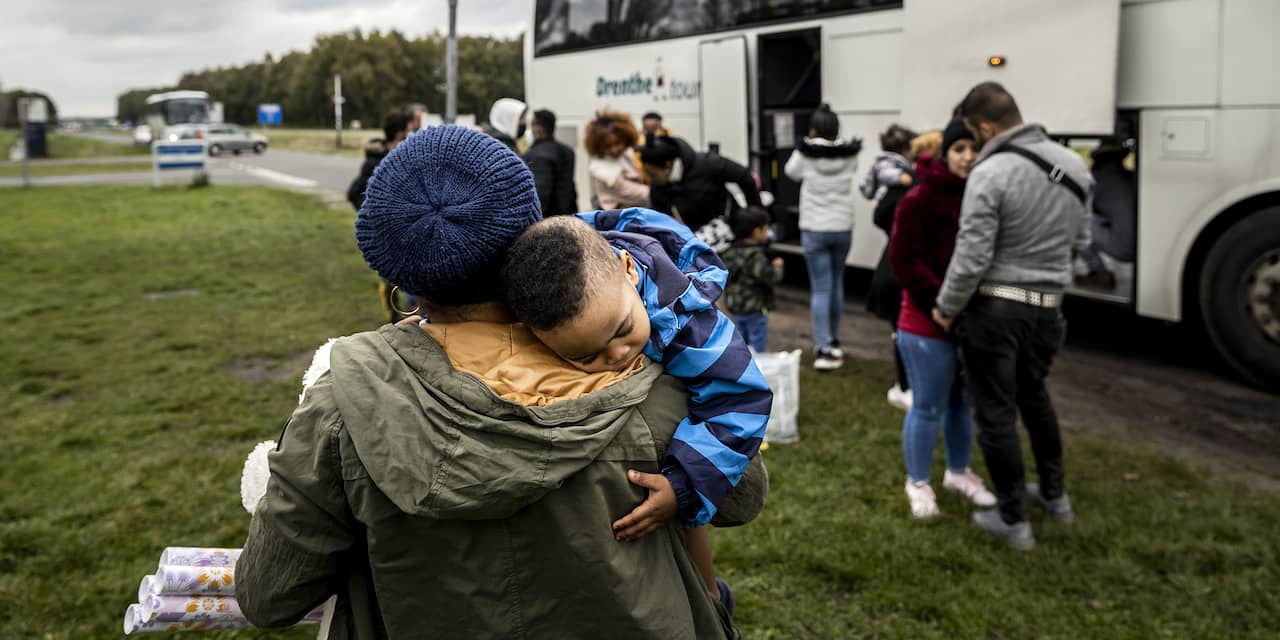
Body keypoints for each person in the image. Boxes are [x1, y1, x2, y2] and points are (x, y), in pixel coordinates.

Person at [235, 126, 768, 638]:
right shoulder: (654, 366)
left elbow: (268, 594)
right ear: (531, 228)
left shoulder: (342, 405)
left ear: (399, 279)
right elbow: (742, 498)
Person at [501, 209, 771, 609]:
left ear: (627, 268)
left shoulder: (687, 325)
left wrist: (684, 486)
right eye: (587, 356)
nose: (618, 355)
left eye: (624, 330)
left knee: (690, 535)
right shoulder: (549, 274)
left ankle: (714, 602)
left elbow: (741, 400)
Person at [933, 82, 1092, 550]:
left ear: (985, 126)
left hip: (996, 309)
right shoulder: (1075, 165)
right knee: (1036, 399)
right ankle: (1054, 495)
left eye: (972, 133)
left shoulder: (991, 171)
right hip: (1050, 311)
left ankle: (1012, 519)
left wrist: (946, 307)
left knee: (996, 414)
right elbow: (1082, 244)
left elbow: (972, 255)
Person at [889, 118, 996, 519]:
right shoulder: (919, 198)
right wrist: (939, 304)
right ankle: (918, 481)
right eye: (959, 149)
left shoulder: (981, 195)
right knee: (928, 406)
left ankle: (958, 471)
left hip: (966, 320)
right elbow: (903, 259)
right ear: (944, 153)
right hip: (925, 322)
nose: (968, 157)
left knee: (961, 404)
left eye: (974, 148)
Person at [783, 103, 860, 370]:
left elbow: (790, 172)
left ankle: (823, 348)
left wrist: (808, 142)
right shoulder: (850, 154)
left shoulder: (806, 154)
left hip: (815, 227)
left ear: (814, 129)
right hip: (842, 227)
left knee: (821, 288)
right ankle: (835, 340)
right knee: (837, 285)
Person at [862, 124, 920, 409]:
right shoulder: (909, 182)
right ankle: (909, 383)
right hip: (906, 266)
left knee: (903, 327)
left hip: (897, 265)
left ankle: (907, 384)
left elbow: (879, 215)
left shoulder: (895, 185)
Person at [637, 133, 762, 251]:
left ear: (668, 165)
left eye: (651, 174)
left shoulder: (708, 164)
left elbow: (745, 177)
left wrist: (753, 216)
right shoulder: (658, 187)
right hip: (697, 245)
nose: (649, 179)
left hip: (732, 236)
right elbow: (660, 220)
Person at [346, 111, 414, 324]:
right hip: (387, 230)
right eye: (408, 130)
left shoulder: (402, 155)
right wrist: (374, 216)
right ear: (400, 132)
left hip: (405, 227)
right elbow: (353, 192)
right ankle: (394, 318)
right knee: (389, 277)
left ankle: (412, 312)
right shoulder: (376, 163)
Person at [1075, 137, 1136, 290]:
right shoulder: (1132, 176)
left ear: (1100, 158)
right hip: (1143, 247)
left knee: (1075, 219)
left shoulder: (1098, 179)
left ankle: (1098, 272)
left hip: (1124, 247)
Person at [721, 206, 785, 352]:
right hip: (755, 309)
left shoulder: (730, 252)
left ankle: (741, 370)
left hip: (736, 307)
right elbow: (771, 278)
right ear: (757, 232)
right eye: (765, 229)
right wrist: (778, 267)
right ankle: (756, 369)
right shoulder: (756, 256)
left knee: (740, 344)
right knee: (757, 344)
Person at [584, 109, 650, 210]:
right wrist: (659, 193)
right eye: (608, 146)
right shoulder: (601, 167)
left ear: (625, 139)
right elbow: (628, 191)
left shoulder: (626, 154)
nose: (614, 150)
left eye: (618, 143)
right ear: (598, 146)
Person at [524, 108, 579, 215]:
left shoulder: (537, 155)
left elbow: (541, 194)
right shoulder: (568, 151)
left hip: (550, 221)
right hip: (569, 214)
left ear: (538, 128)